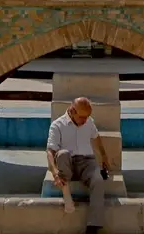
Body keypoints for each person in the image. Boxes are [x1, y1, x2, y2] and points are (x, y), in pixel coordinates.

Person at [46, 96, 112, 233]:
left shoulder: (88, 122)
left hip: (86, 162)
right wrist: (54, 173)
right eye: (82, 117)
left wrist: (104, 157)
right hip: (67, 163)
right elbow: (50, 151)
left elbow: (96, 138)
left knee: (98, 181)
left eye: (87, 117)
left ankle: (93, 226)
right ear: (72, 110)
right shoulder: (57, 125)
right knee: (62, 153)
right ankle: (66, 194)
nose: (85, 120)